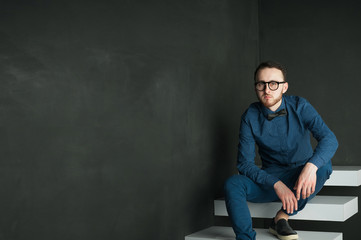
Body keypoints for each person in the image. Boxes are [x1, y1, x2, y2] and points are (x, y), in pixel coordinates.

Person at [224, 61, 338, 240]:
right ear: (256, 87)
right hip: (270, 179)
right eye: (261, 84)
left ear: (284, 87)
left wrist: (310, 167)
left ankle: (281, 217)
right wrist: (276, 184)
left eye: (273, 84)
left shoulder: (300, 105)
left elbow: (329, 139)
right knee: (233, 184)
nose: (267, 90)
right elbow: (244, 164)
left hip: (300, 177)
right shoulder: (249, 116)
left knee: (324, 167)